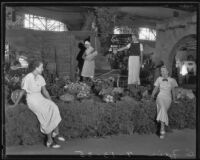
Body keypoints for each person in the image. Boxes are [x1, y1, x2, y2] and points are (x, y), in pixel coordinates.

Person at [11, 60, 65, 148]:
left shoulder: (40, 77)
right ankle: (49, 141)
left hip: (40, 97)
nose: (42, 69)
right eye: (41, 67)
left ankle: (56, 133)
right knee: (45, 112)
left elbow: (44, 91)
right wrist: (15, 104)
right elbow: (22, 92)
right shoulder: (28, 78)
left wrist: (50, 100)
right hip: (32, 99)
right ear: (36, 68)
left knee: (54, 106)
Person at [151, 65, 179, 139]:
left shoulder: (172, 80)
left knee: (163, 109)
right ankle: (162, 128)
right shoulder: (159, 79)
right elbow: (155, 89)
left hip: (168, 98)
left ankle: (162, 127)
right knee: (162, 108)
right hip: (160, 97)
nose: (162, 72)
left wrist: (174, 99)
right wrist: (152, 96)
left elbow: (173, 91)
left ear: (167, 71)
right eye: (161, 71)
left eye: (164, 71)